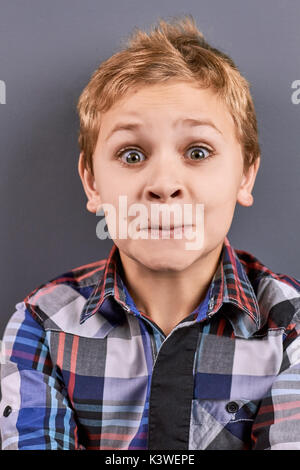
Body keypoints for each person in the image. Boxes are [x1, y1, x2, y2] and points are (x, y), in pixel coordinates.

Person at [1, 15, 299, 451]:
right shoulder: (41, 324)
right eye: (132, 153)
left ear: (246, 176)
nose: (163, 183)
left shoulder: (290, 327)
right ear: (92, 183)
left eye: (197, 151)